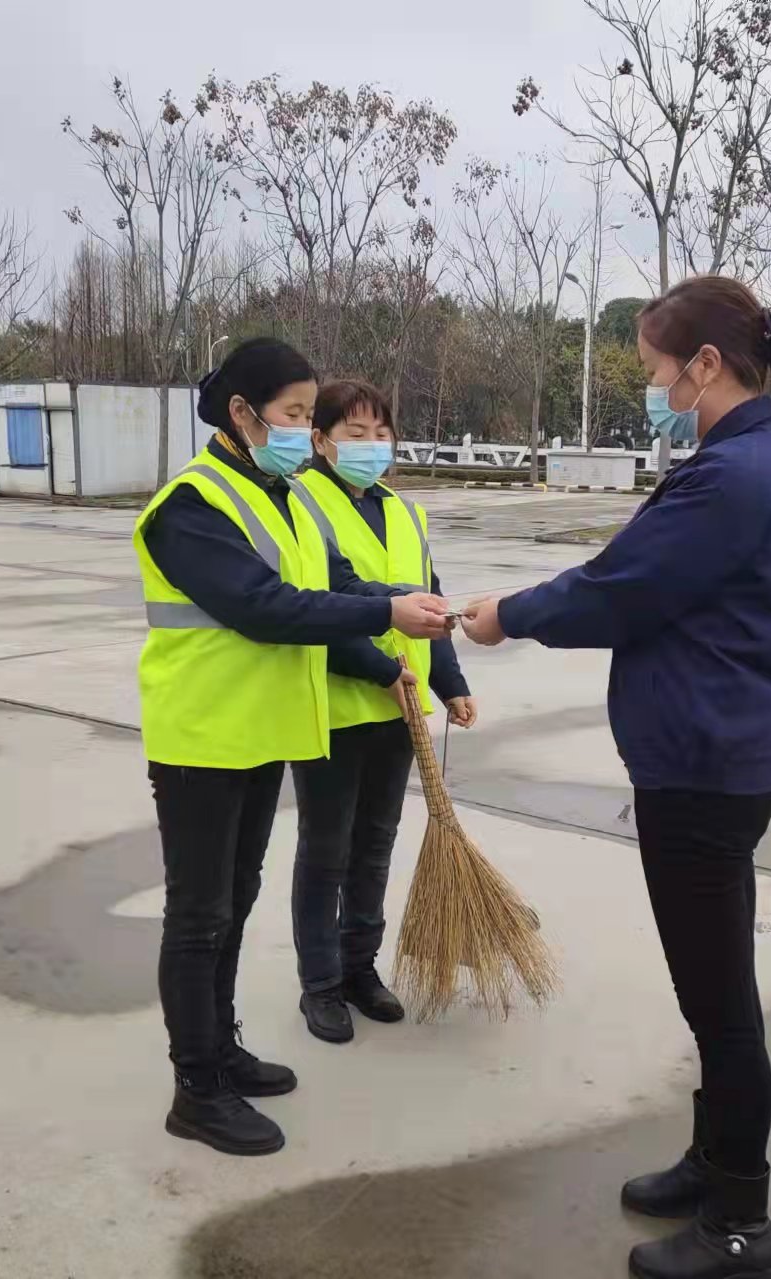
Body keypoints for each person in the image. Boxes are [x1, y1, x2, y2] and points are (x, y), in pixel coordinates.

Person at [461, 275, 771, 1279]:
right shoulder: (755, 461)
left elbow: (620, 588)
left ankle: (739, 1221)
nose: (653, 382)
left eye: (659, 366)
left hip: (702, 773)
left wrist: (509, 615)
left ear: (705, 366)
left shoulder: (732, 477)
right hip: (714, 761)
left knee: (718, 1003)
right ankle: (711, 1161)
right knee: (712, 990)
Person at [134, 338, 452, 1158]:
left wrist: (403, 603)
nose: (303, 430)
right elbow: (267, 606)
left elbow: (336, 586)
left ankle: (222, 1046)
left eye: (309, 415)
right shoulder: (191, 504)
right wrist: (384, 617)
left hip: (256, 736)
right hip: (201, 740)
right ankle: (194, 1086)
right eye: (295, 415)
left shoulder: (278, 495)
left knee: (233, 902)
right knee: (199, 915)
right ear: (242, 413)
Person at [288, 379, 477, 1044]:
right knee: (326, 849)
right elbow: (314, 604)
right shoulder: (301, 502)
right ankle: (320, 984)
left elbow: (432, 598)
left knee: (374, 846)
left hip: (400, 706)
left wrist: (448, 679)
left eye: (380, 433)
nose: (370, 446)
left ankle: (359, 967)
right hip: (336, 705)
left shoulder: (403, 509)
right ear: (320, 440)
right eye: (353, 433)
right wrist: (380, 668)